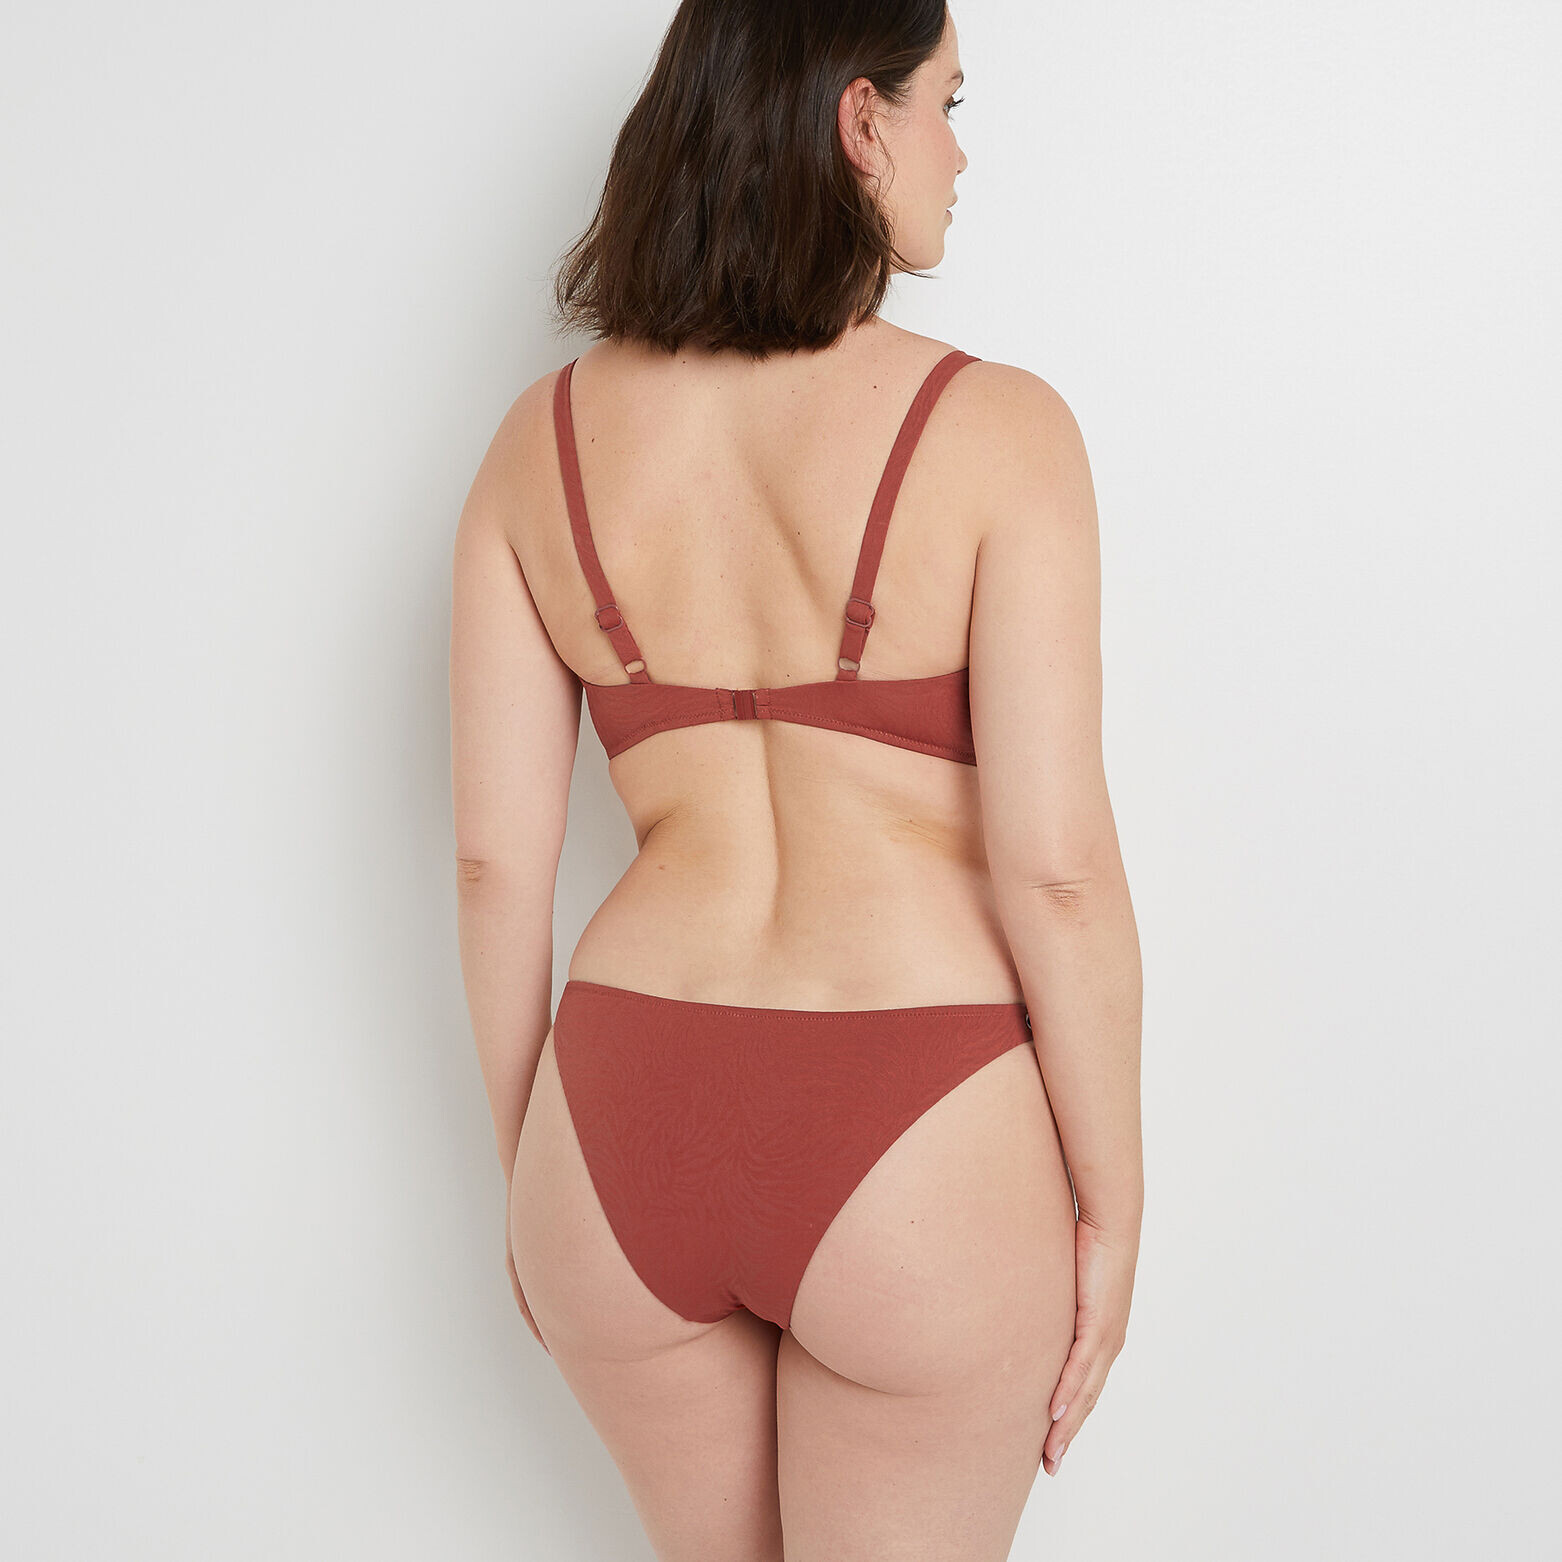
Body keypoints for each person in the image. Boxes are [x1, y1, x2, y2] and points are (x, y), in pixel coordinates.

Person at [449, 3, 1143, 1557]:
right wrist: (1112, 1198)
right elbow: (1054, 870)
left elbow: (495, 866)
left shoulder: (534, 445)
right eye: (947, 103)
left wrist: (529, 1174)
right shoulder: (1000, 430)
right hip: (917, 1112)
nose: (958, 152)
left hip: (615, 1118)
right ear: (859, 122)